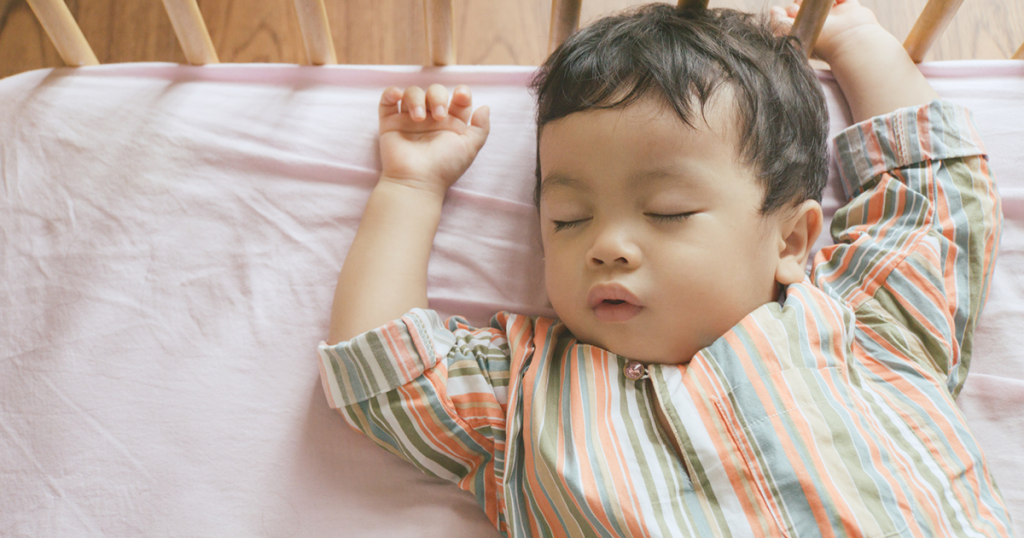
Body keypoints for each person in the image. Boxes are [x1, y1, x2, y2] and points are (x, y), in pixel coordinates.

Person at [317, 0, 1013, 535]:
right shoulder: (525, 399)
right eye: (567, 219)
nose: (608, 246)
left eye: (670, 211)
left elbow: (932, 194)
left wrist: (856, 41)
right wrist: (410, 187)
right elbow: (384, 371)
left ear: (793, 241)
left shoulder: (861, 325)